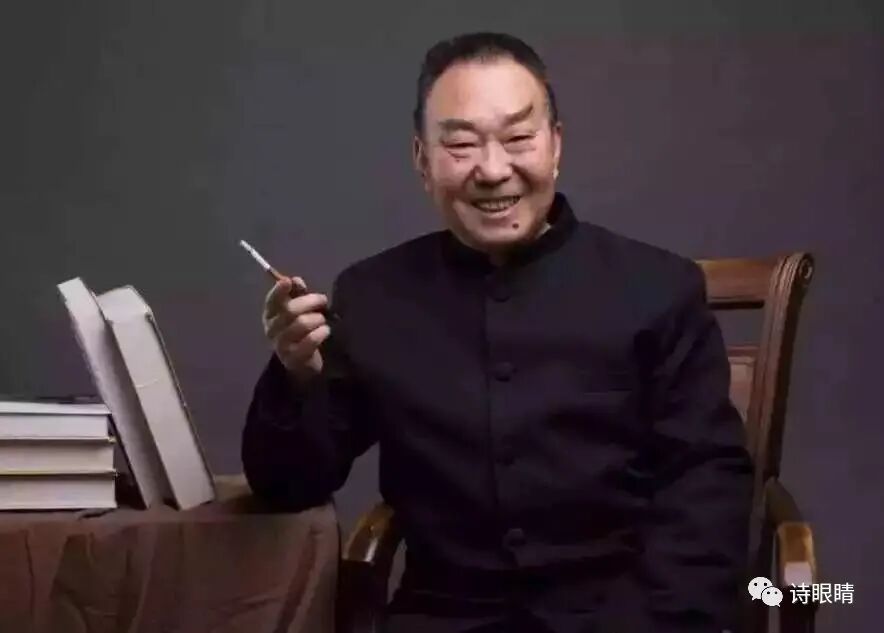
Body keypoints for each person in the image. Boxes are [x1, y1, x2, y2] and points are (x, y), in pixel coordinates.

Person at [242, 32, 753, 633]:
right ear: (422, 159)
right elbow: (287, 485)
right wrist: (296, 375)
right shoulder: (374, 295)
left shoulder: (658, 287)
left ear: (555, 145)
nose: (492, 170)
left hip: (625, 616)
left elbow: (707, 487)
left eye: (517, 139)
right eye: (461, 144)